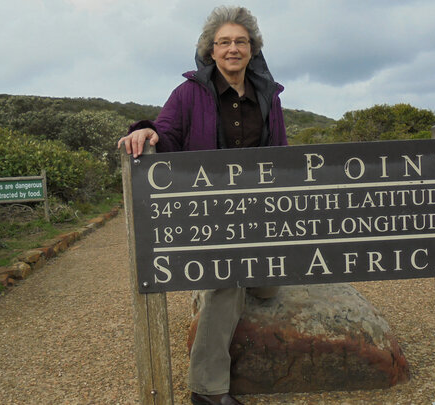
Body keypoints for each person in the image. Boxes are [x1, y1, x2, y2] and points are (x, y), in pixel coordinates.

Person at [118, 6, 286, 405]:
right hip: (210, 214)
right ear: (210, 51)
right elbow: (166, 131)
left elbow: (281, 153)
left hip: (258, 211)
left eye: (240, 42)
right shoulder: (189, 93)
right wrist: (144, 130)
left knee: (267, 287)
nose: (233, 49)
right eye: (224, 42)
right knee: (228, 282)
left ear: (252, 49)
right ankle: (208, 391)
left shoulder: (268, 95)